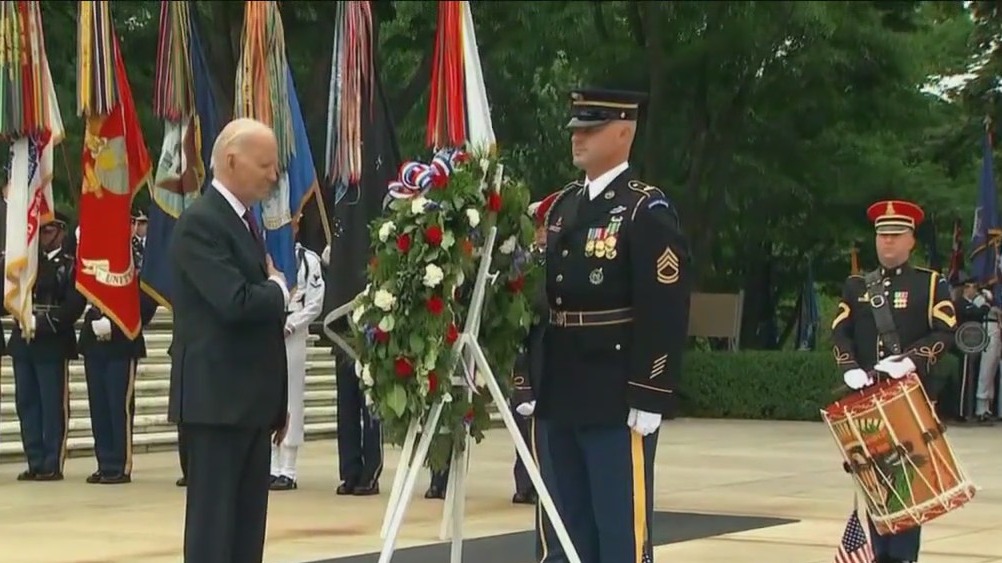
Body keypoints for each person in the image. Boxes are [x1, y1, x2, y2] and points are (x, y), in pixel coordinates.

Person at [536, 88, 691, 563]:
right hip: (561, 386)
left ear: (624, 132)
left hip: (614, 390)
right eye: (576, 128)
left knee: (619, 526)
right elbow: (542, 300)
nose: (577, 138)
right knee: (566, 528)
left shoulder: (645, 210)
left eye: (591, 128)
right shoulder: (563, 207)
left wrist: (650, 391)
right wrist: (528, 376)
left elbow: (665, 307)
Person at [168, 117, 291, 563]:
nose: (273, 175)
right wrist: (278, 289)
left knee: (244, 538)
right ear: (232, 160)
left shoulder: (241, 222)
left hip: (248, 407)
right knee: (214, 536)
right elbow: (234, 302)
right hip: (216, 408)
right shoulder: (201, 223)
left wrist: (276, 402)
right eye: (266, 165)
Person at [831, 199, 957, 563]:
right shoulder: (856, 286)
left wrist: (910, 361)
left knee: (907, 487)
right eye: (882, 235)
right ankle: (879, 555)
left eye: (896, 235)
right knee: (875, 485)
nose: (888, 241)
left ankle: (901, 558)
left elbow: (945, 331)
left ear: (911, 240)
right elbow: (840, 331)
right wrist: (848, 366)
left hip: (908, 400)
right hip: (866, 401)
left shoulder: (929, 284)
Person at [6, 211, 86, 481]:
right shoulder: (25, 262)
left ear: (61, 231)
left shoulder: (71, 264)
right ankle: (35, 460)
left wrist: (42, 322)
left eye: (48, 231)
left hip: (51, 341)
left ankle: (52, 462)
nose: (42, 237)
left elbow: (74, 303)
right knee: (26, 403)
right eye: (38, 231)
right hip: (23, 341)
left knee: (52, 404)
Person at [79, 223, 159, 484]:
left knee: (118, 406)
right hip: (94, 340)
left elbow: (148, 300)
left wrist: (115, 323)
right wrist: (95, 317)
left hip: (122, 342)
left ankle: (119, 464)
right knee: (99, 406)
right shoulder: (95, 255)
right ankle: (104, 461)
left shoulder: (136, 259)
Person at [270, 236, 325, 491]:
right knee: (269, 397)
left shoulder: (307, 260)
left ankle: (288, 469)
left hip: (293, 332)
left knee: (292, 397)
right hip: (268, 330)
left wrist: (293, 324)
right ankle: (271, 466)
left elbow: (315, 303)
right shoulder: (266, 256)